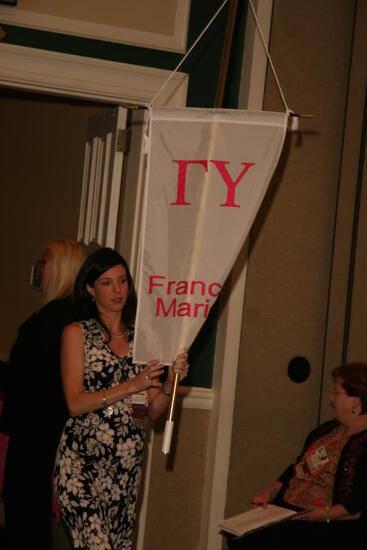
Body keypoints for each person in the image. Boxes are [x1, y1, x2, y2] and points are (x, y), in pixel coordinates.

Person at [54, 247, 189, 550]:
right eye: (106, 282)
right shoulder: (77, 333)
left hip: (125, 468)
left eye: (123, 281)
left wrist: (169, 383)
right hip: (81, 464)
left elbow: (149, 412)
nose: (118, 290)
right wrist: (131, 385)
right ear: (90, 288)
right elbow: (75, 403)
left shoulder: (143, 339)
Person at [0, 239, 86, 549]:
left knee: (24, 520)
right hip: (55, 431)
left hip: (35, 433)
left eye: (45, 262)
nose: (39, 268)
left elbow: (25, 378)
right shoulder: (76, 318)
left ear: (61, 270)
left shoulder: (49, 321)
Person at [227, 362, 367, 550]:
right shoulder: (327, 431)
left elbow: (358, 501)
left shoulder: (363, 442)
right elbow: (300, 466)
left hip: (326, 522)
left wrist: (324, 514)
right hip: (289, 511)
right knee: (238, 535)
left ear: (355, 402)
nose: (330, 398)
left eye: (336, 392)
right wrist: (272, 489)